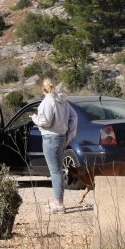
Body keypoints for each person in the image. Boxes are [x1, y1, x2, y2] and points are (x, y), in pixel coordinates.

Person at [31, 78, 78, 213]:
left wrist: (34, 118)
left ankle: (59, 204)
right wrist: (70, 136)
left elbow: (45, 121)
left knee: (55, 171)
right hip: (61, 137)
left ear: (43, 89)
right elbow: (74, 117)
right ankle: (58, 200)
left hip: (50, 138)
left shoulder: (48, 101)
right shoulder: (62, 101)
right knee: (57, 169)